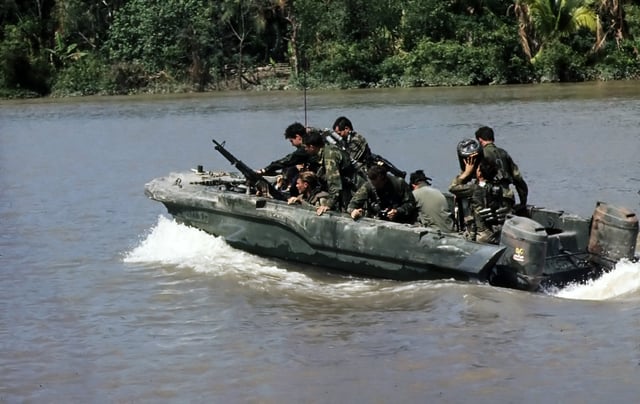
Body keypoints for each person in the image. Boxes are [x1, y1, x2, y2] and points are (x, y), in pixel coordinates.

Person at [449, 142, 506, 244]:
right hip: (495, 233)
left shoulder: (474, 189)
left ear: (480, 173)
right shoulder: (497, 187)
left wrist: (466, 173)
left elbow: (453, 187)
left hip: (481, 236)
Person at [303, 130, 361, 215]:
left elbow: (335, 184)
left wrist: (328, 205)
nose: (305, 150)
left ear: (311, 147)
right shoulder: (327, 149)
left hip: (354, 189)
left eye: (305, 147)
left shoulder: (329, 156)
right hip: (348, 188)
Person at [474, 126, 528, 212]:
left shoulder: (480, 154)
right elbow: (518, 179)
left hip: (488, 197)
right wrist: (523, 203)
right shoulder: (504, 153)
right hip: (507, 196)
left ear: (480, 140)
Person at [256, 122, 318, 196]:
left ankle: (292, 195)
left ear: (298, 137)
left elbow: (287, 160)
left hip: (316, 176)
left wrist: (265, 169)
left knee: (293, 174)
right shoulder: (314, 140)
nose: (292, 144)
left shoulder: (304, 149)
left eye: (291, 141)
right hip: (314, 172)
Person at [348, 165, 416, 223]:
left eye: (377, 184)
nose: (375, 186)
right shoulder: (369, 186)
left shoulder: (399, 183)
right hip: (376, 221)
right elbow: (352, 204)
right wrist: (353, 211)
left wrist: (397, 211)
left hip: (399, 222)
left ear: (383, 179)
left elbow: (411, 203)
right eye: (373, 183)